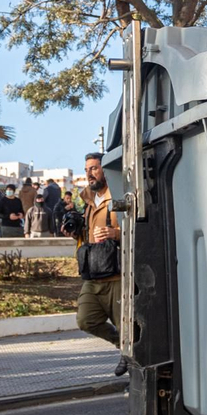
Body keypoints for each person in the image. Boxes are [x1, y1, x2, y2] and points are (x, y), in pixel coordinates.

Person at [72, 152, 127, 376]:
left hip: (116, 274)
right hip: (93, 274)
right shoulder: (86, 199)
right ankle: (122, 345)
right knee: (85, 320)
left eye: (94, 168)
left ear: (105, 170)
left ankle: (131, 357)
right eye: (87, 170)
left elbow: (139, 226)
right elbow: (86, 237)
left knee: (127, 326)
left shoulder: (119, 195)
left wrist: (116, 232)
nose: (89, 174)